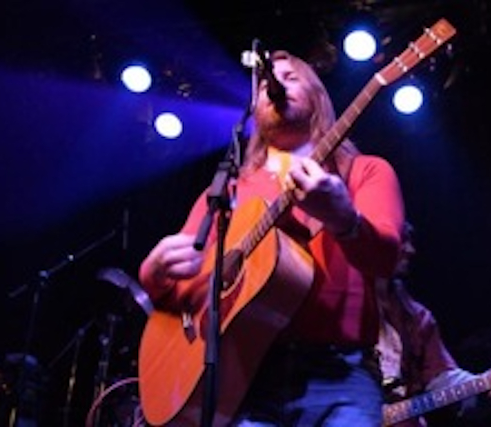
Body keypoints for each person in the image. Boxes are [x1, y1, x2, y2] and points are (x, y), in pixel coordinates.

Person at [138, 49, 405, 426]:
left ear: (318, 97)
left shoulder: (365, 171)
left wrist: (343, 218)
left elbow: (386, 260)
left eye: (290, 78)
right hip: (246, 378)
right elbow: (188, 290)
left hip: (341, 376)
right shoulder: (226, 193)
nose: (276, 86)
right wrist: (154, 277)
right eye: (265, 84)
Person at [375, 222, 491, 427]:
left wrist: (486, 382)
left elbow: (442, 379)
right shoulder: (338, 306)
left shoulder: (417, 317)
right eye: (402, 240)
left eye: (410, 241)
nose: (411, 250)